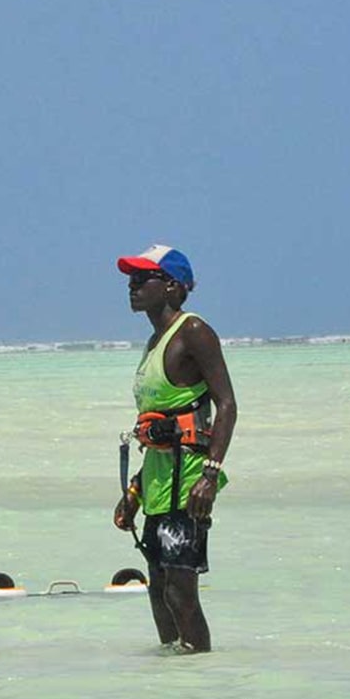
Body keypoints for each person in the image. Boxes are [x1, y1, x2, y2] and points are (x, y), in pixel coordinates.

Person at [112, 245, 237, 654]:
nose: (131, 286)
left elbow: (227, 405)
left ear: (171, 286)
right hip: (157, 484)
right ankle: (171, 679)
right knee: (159, 592)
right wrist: (134, 491)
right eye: (130, 279)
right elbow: (154, 428)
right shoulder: (154, 342)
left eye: (140, 278)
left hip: (189, 483)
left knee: (182, 594)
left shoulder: (193, 332)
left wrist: (211, 474)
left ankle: (199, 677)